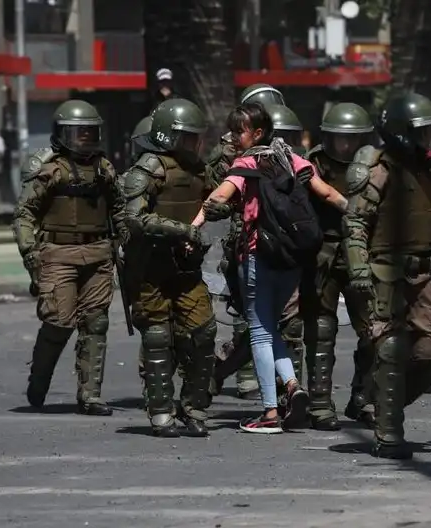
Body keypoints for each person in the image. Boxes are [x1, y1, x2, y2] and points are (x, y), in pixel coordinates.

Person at [192, 102, 348, 434]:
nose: (233, 137)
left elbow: (218, 197)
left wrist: (194, 227)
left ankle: (270, 412)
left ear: (258, 132)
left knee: (260, 331)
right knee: (270, 328)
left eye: (239, 131)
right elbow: (329, 194)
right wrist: (359, 218)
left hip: (258, 256)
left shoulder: (246, 163)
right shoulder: (293, 159)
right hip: (292, 259)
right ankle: (292, 386)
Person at [342, 92, 431, 459]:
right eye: (423, 132)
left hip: (421, 274)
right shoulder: (377, 168)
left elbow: (427, 217)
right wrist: (358, 268)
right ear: (403, 133)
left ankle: (381, 403)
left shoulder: (422, 167)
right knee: (389, 348)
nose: (430, 138)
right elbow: (355, 222)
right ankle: (389, 434)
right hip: (382, 273)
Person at [13, 99, 130, 416]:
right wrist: (30, 252)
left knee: (96, 322)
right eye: (79, 133)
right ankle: (39, 380)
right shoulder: (50, 170)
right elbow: (24, 214)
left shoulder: (105, 169)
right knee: (58, 321)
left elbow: (119, 209)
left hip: (98, 254)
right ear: (63, 134)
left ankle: (90, 395)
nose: (86, 139)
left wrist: (124, 240)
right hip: (58, 254)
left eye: (91, 133)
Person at [119, 98, 215, 437]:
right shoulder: (148, 169)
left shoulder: (200, 170)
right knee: (158, 338)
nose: (194, 144)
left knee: (203, 334)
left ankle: (195, 407)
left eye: (196, 137)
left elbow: (216, 203)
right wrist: (183, 230)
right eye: (187, 137)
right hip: (150, 270)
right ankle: (161, 412)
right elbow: (134, 219)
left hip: (187, 270)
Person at [205, 84, 292, 401]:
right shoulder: (228, 153)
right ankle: (236, 374)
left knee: (282, 322)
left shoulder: (285, 146)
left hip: (283, 242)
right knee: (251, 319)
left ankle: (281, 384)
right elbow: (215, 191)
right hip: (246, 240)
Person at [301, 102, 377, 430]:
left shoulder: (376, 164)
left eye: (352, 139)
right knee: (320, 331)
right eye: (339, 139)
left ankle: (363, 397)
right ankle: (319, 404)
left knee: (375, 329)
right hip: (323, 253)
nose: (345, 146)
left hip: (362, 252)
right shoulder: (311, 163)